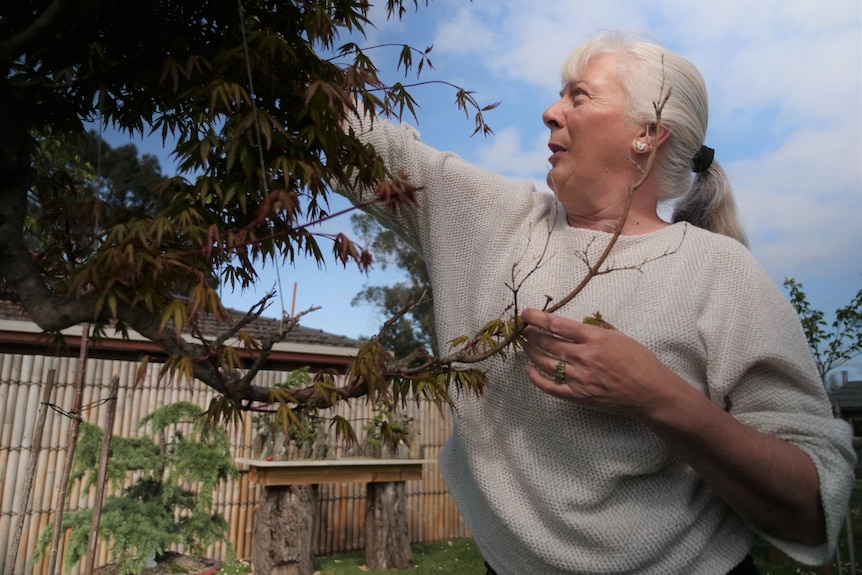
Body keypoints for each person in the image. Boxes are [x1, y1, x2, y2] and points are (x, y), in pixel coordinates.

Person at [336, 30, 856, 574]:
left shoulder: (720, 271)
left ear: (648, 134)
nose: (550, 112)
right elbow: (352, 139)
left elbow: (813, 507)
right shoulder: (493, 220)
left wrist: (657, 396)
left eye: (578, 96)